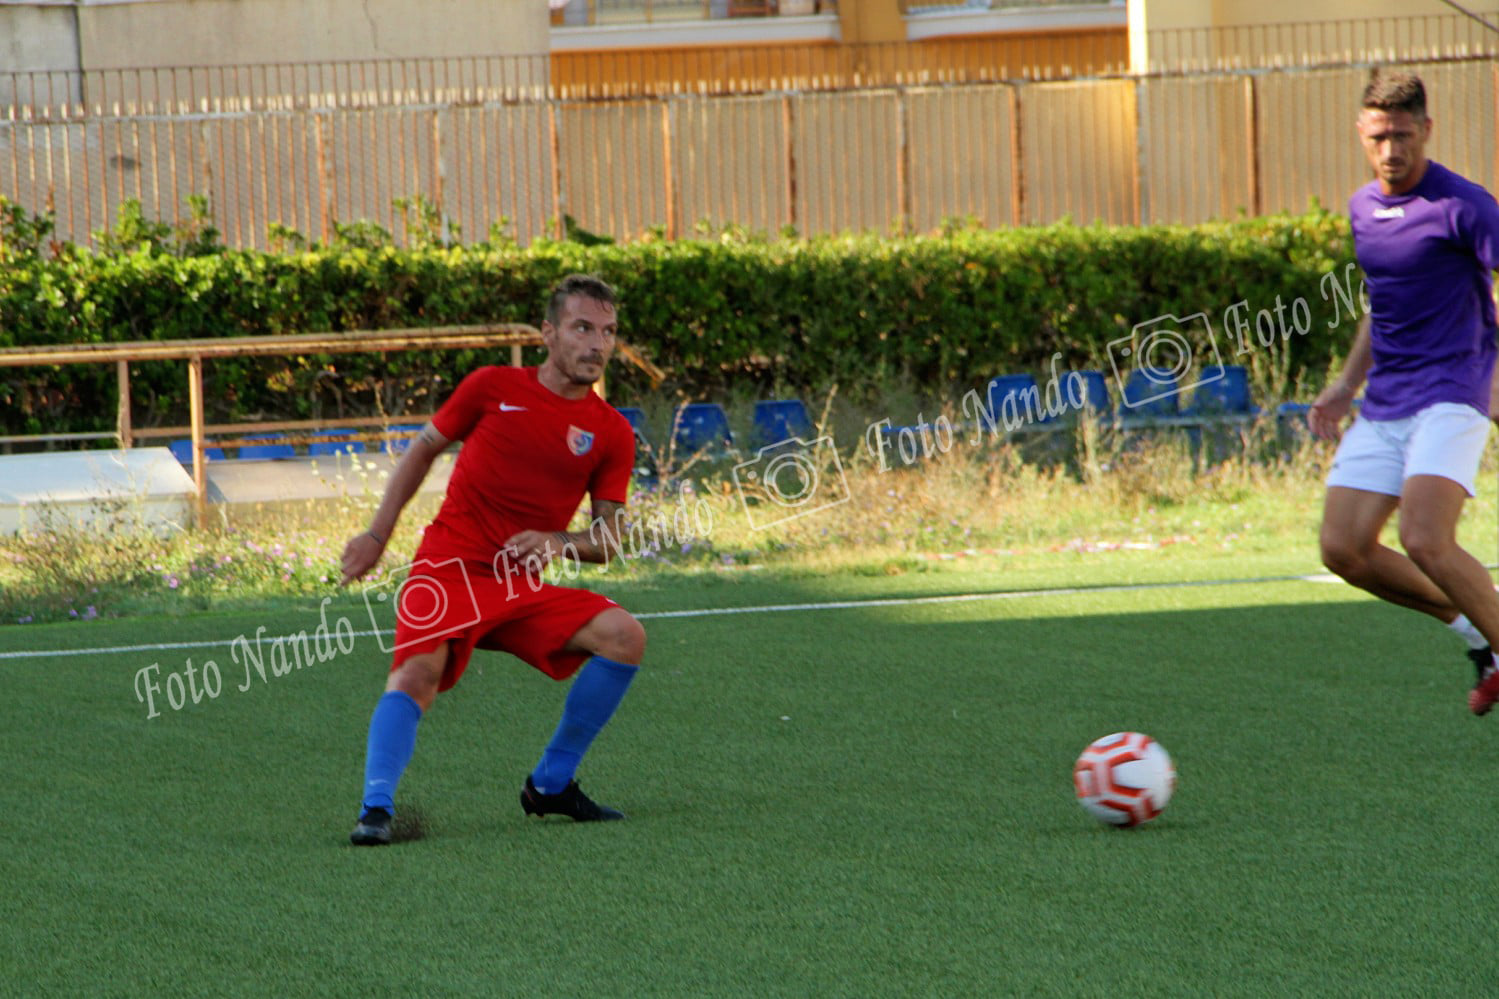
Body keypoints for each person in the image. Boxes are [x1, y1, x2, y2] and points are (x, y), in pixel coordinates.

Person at [340, 273, 645, 845]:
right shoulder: (491, 386)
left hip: (519, 586)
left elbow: (608, 540)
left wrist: (560, 541)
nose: (597, 344)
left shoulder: (611, 432)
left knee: (624, 636)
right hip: (449, 566)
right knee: (418, 672)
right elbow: (422, 451)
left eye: (608, 332)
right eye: (582, 328)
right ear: (548, 333)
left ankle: (550, 784)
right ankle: (376, 809)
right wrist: (377, 536)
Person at [1311, 69, 1499, 715]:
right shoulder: (1363, 208)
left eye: (1402, 135)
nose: (1390, 150)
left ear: (1426, 129)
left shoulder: (1465, 205)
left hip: (1453, 388)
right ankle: (1481, 628)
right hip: (1387, 398)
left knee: (1424, 536)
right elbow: (1381, 303)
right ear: (1361, 134)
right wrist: (1346, 383)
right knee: (1343, 548)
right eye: (1378, 137)